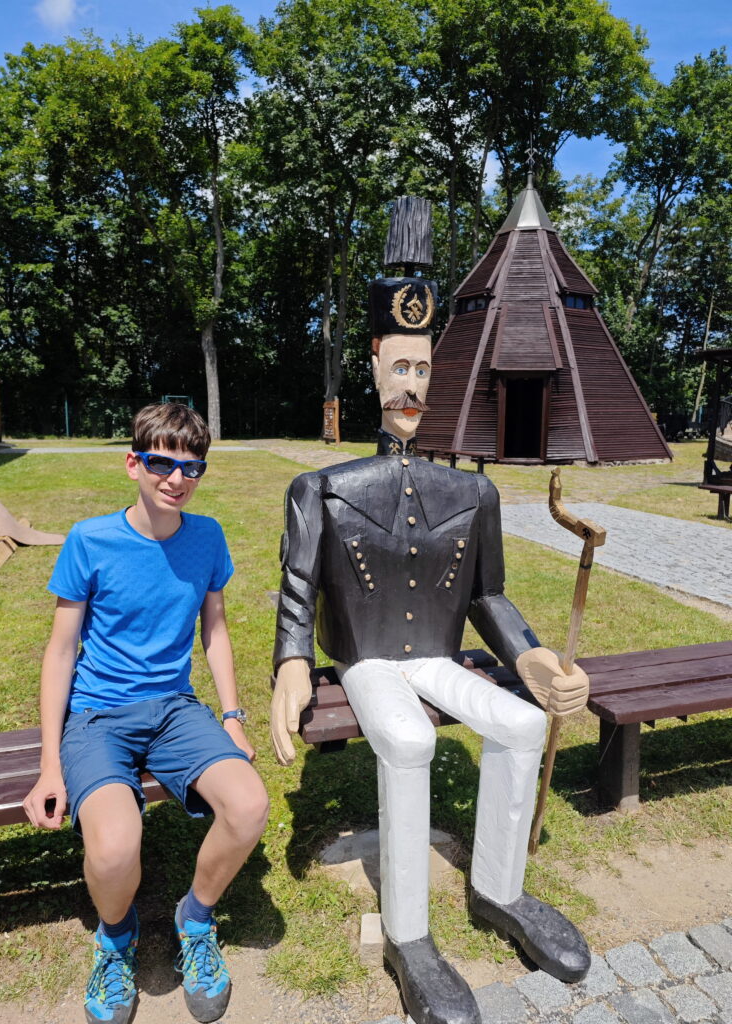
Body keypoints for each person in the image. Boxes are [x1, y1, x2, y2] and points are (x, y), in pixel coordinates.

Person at [270, 266, 591, 1024]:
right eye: (400, 366)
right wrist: (290, 662)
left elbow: (486, 595)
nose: (412, 385)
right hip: (369, 657)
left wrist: (531, 657)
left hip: (439, 654)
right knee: (409, 740)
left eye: (424, 369)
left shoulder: (471, 494)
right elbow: (296, 586)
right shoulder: (322, 487)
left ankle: (499, 891)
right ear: (374, 361)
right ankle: (409, 939)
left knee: (521, 723)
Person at [23, 403, 269, 1024]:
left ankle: (196, 917)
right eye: (162, 462)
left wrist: (233, 716)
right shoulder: (90, 540)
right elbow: (59, 653)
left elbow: (214, 628)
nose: (176, 479)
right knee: (113, 849)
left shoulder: (207, 536)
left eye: (192, 467)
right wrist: (50, 766)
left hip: (174, 710)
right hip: (97, 715)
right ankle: (116, 937)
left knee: (248, 805)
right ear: (133, 463)